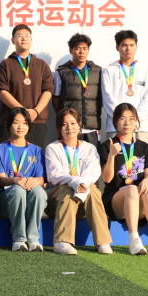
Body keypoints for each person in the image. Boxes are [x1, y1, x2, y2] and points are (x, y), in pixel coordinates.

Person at [98, 103, 148, 256]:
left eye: (131, 119)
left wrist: (146, 181)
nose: (127, 123)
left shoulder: (144, 147)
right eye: (122, 118)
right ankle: (134, 240)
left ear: (136, 122)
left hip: (139, 199)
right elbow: (107, 179)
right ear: (115, 122)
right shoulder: (107, 146)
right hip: (115, 200)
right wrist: (111, 156)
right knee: (131, 188)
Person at [45, 108, 112, 255]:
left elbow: (94, 173)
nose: (69, 128)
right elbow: (54, 175)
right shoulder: (53, 148)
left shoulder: (90, 148)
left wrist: (80, 185)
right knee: (70, 189)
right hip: (56, 201)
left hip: (84, 201)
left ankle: (103, 241)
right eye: (64, 124)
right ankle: (62, 241)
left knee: (93, 189)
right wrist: (75, 182)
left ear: (79, 125)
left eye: (73, 123)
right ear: (59, 127)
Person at [0, 108, 47, 252]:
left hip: (30, 198)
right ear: (9, 125)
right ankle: (19, 239)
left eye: (24, 123)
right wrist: (15, 180)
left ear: (29, 126)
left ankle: (33, 239)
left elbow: (41, 179)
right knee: (18, 190)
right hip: (7, 201)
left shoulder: (37, 150)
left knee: (39, 191)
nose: (20, 126)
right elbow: (1, 179)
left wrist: (36, 181)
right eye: (16, 122)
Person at [0, 25, 54, 148]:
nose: (24, 38)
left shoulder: (42, 65)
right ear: (13, 40)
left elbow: (48, 90)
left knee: (35, 157)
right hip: (11, 121)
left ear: (31, 40)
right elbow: (1, 90)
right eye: (19, 35)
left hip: (36, 121)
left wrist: (35, 111)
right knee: (6, 157)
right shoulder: (5, 65)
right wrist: (22, 112)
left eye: (27, 35)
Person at [101, 30, 148, 142]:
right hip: (115, 127)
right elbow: (107, 99)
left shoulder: (146, 70)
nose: (128, 48)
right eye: (124, 45)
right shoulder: (108, 70)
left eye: (132, 45)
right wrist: (122, 120)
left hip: (140, 127)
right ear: (117, 47)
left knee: (140, 154)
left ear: (136, 46)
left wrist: (134, 121)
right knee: (114, 153)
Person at [52, 33, 103, 147]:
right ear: (71, 50)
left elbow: (101, 98)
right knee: (68, 156)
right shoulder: (61, 72)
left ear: (88, 50)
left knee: (92, 156)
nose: (81, 52)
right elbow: (55, 99)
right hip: (69, 129)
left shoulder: (98, 71)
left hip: (91, 127)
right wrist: (64, 117)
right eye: (77, 48)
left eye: (85, 48)